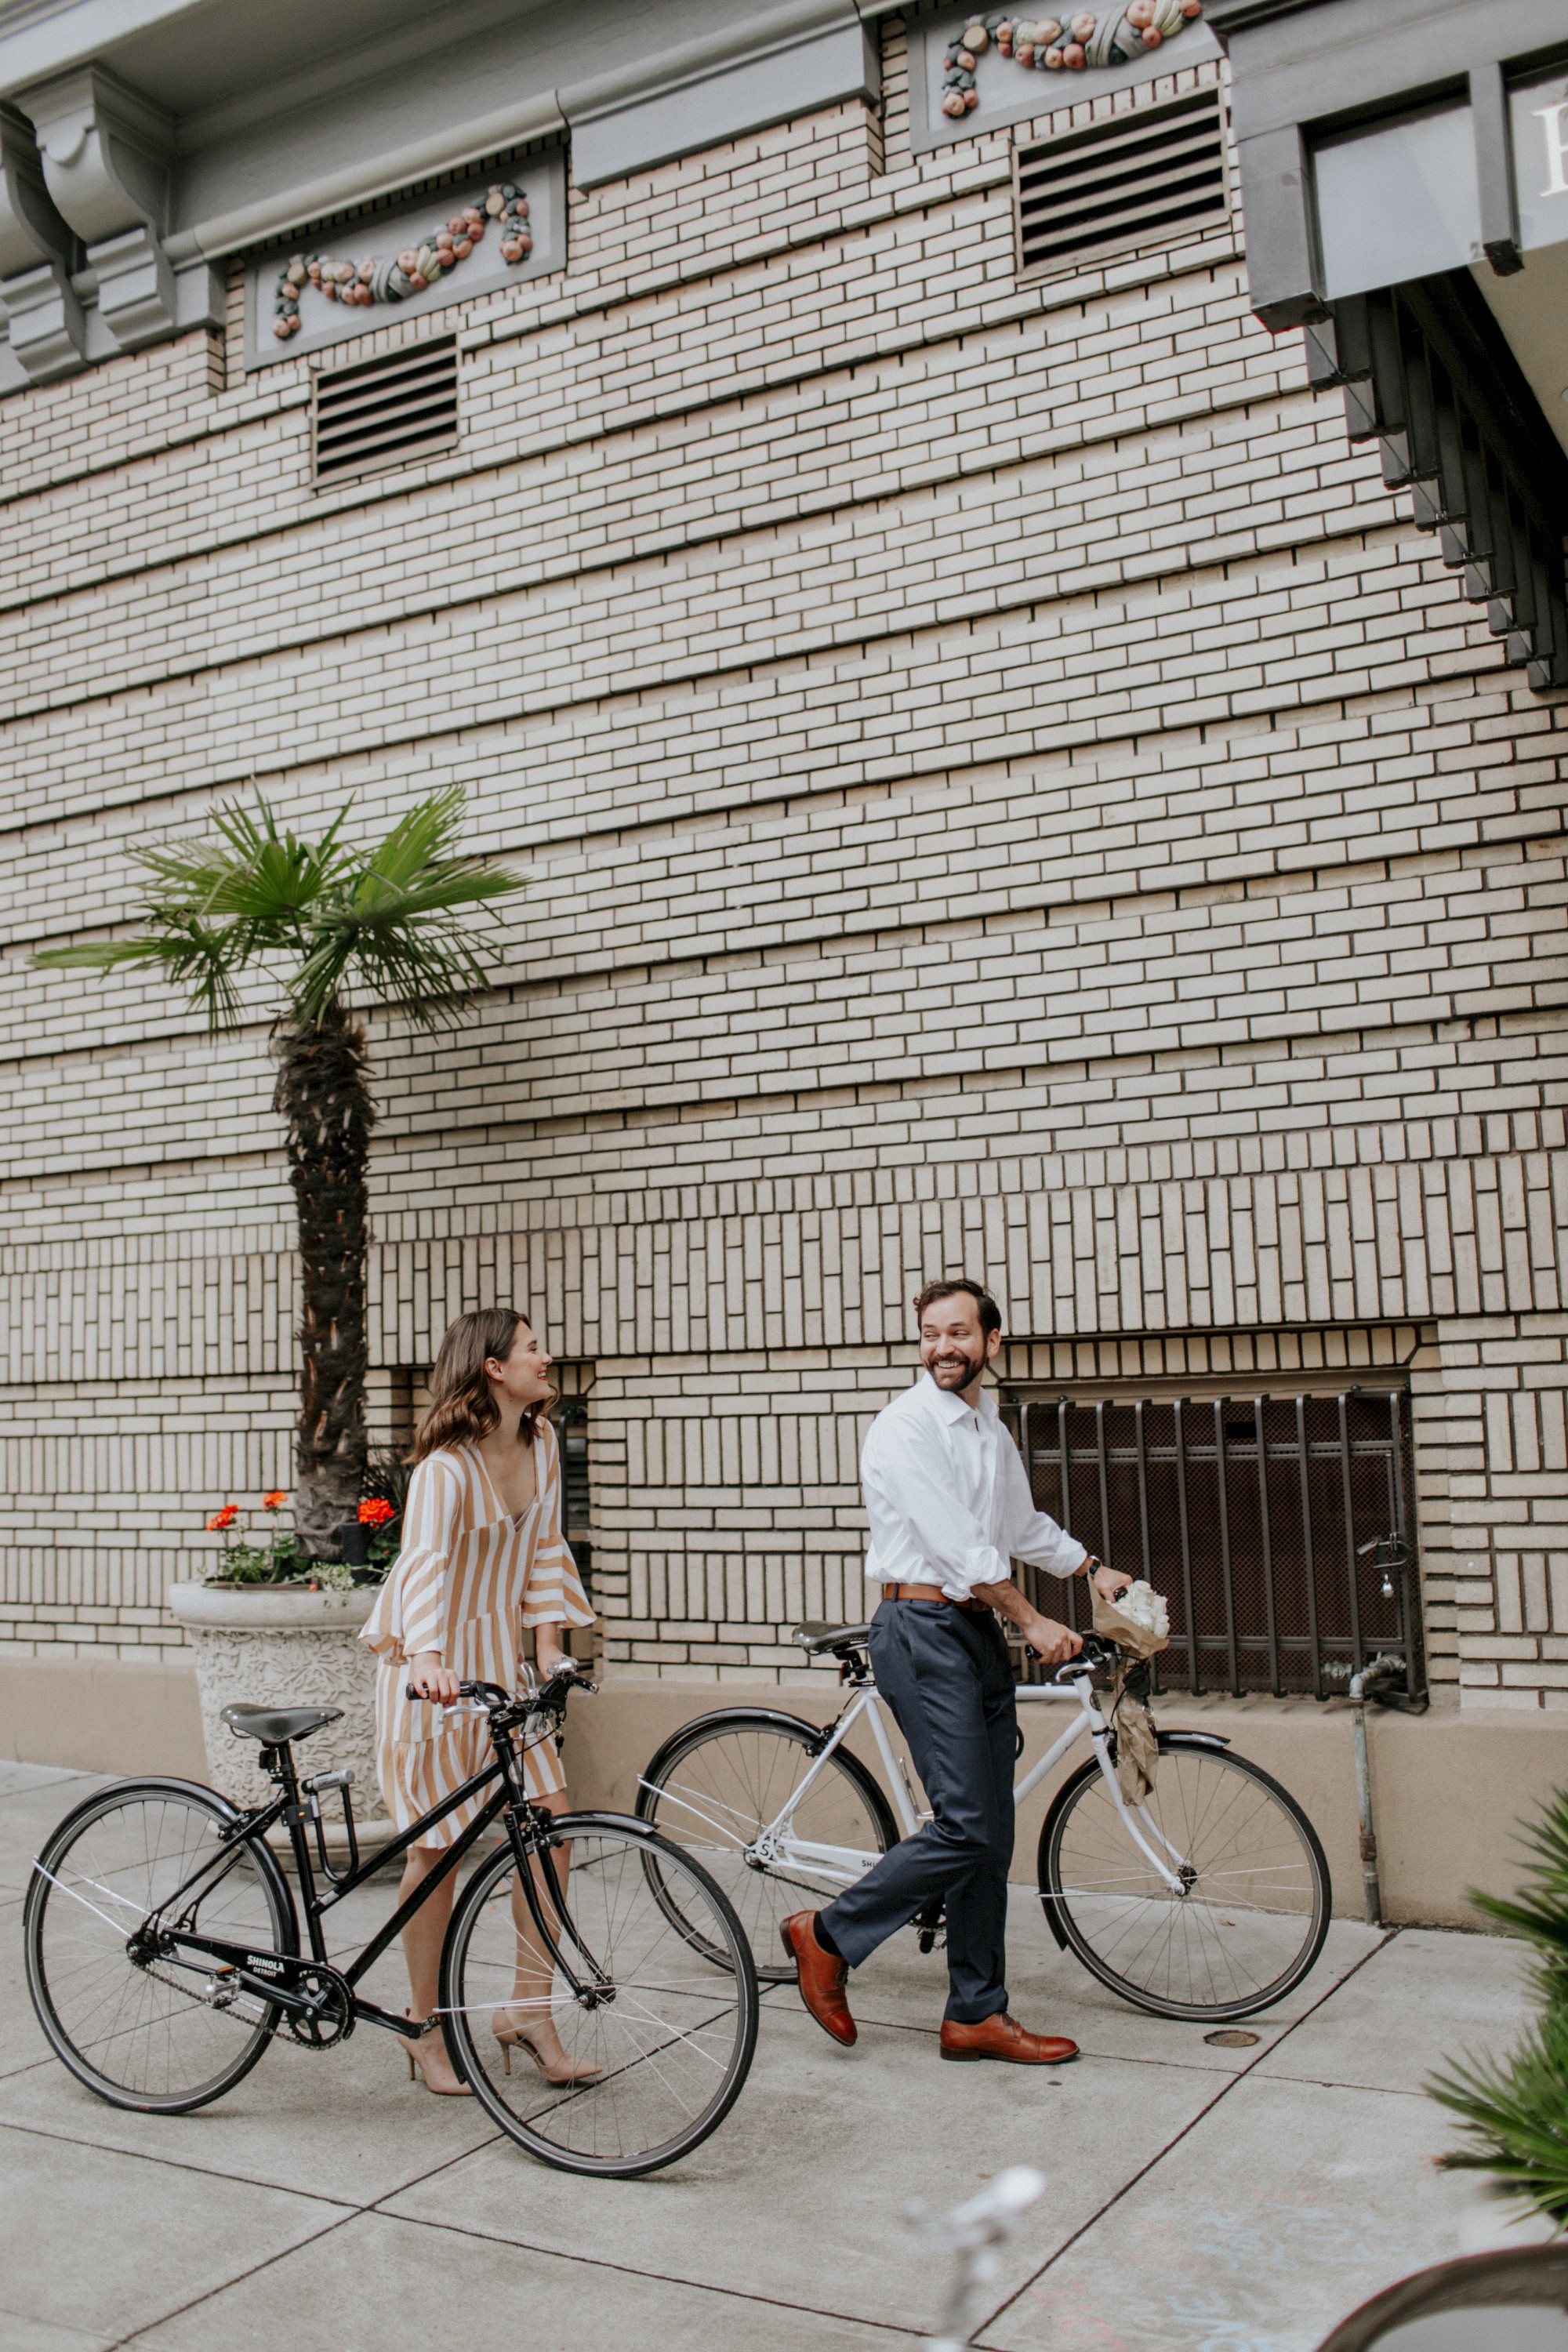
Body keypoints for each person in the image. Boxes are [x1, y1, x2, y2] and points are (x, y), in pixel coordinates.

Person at [781, 1278, 1131, 2064]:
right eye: (930, 1333)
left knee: (990, 1836)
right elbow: (959, 1550)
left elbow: (1015, 1525)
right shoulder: (905, 1427)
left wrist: (1089, 1570)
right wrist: (1031, 1618)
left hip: (970, 1631)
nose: (942, 1347)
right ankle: (826, 1934)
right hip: (920, 1628)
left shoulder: (985, 1429)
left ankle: (975, 2012)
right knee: (965, 1822)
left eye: (957, 1333)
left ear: (990, 1343)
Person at [360, 1306, 596, 2095]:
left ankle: (529, 2008)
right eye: (532, 1347)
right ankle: (422, 2025)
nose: (545, 1355)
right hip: (435, 1674)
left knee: (553, 1827)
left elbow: (544, 1551)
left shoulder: (541, 1441)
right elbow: (423, 1564)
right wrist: (427, 1659)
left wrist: (550, 1649)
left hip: (504, 1672)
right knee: (439, 1854)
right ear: (493, 1367)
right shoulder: (444, 1468)